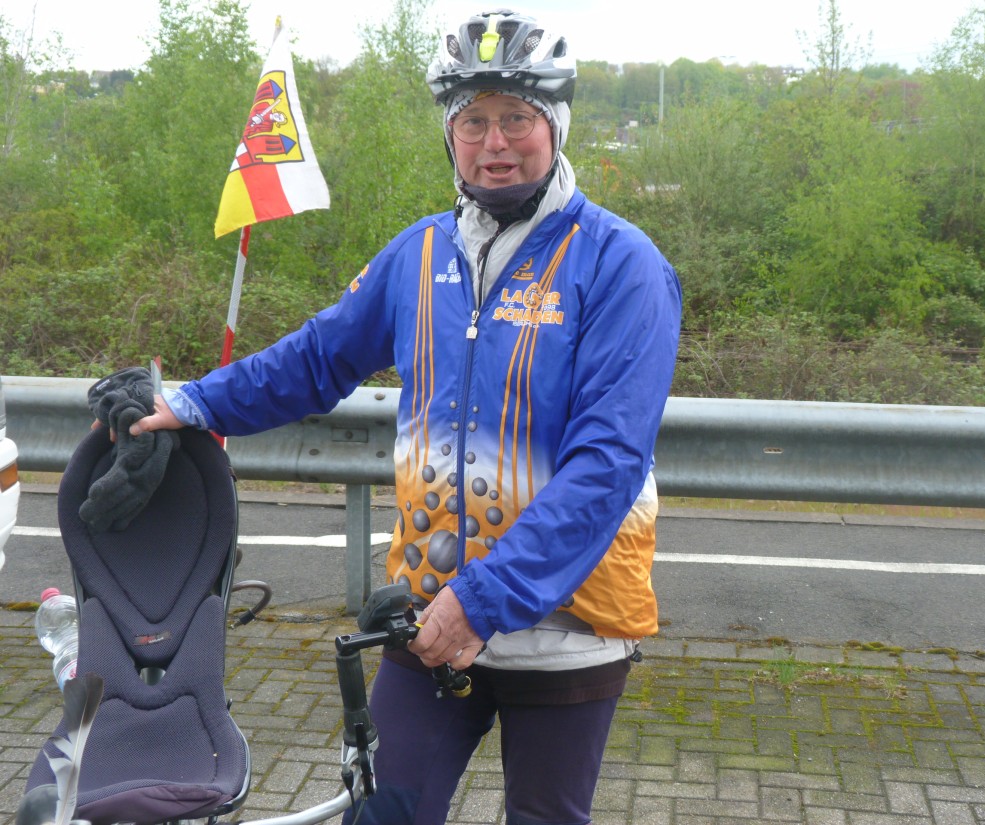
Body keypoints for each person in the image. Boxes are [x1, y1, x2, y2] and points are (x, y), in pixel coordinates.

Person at [131, 9, 681, 824]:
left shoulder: (623, 265)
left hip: (571, 627)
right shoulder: (420, 254)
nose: (496, 141)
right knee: (379, 815)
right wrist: (189, 402)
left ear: (556, 124)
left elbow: (606, 467)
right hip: (432, 616)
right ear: (450, 135)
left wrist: (482, 601)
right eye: (474, 121)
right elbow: (316, 359)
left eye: (518, 118)